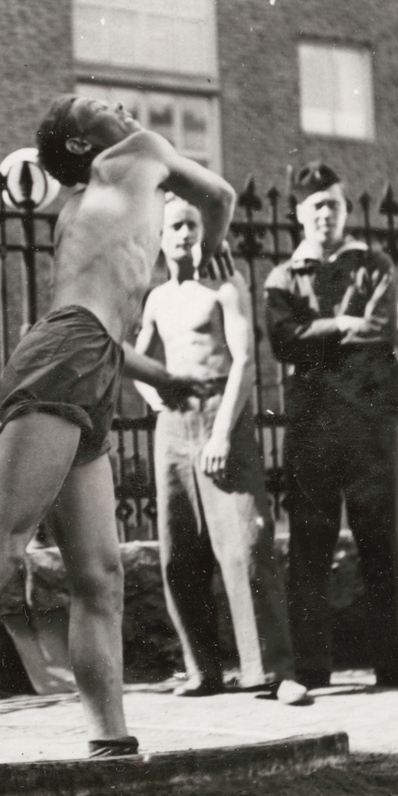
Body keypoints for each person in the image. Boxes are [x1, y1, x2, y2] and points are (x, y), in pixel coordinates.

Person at [0, 95, 235, 766]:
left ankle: (110, 738)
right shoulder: (140, 150)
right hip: (68, 356)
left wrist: (162, 377)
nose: (118, 104)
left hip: (94, 360)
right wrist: (216, 244)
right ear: (83, 144)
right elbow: (220, 195)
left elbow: (104, 328)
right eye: (96, 105)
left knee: (101, 575)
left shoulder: (92, 198)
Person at [265, 162, 398, 692]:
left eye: (333, 205)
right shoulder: (283, 277)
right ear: (299, 214)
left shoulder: (374, 264)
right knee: (309, 545)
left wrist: (315, 338)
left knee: (380, 541)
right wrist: (340, 323)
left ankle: (395, 663)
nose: (326, 214)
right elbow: (282, 341)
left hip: (367, 423)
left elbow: (379, 332)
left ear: (345, 210)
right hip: (311, 426)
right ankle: (312, 666)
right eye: (316, 206)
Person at [134, 196, 307, 705]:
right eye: (174, 226)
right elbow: (136, 361)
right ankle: (202, 670)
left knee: (247, 544)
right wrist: (155, 397)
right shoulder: (156, 299)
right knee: (179, 549)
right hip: (173, 424)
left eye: (192, 224)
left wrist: (222, 434)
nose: (185, 234)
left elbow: (245, 363)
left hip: (220, 415)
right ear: (159, 237)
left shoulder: (226, 289)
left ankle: (271, 672)